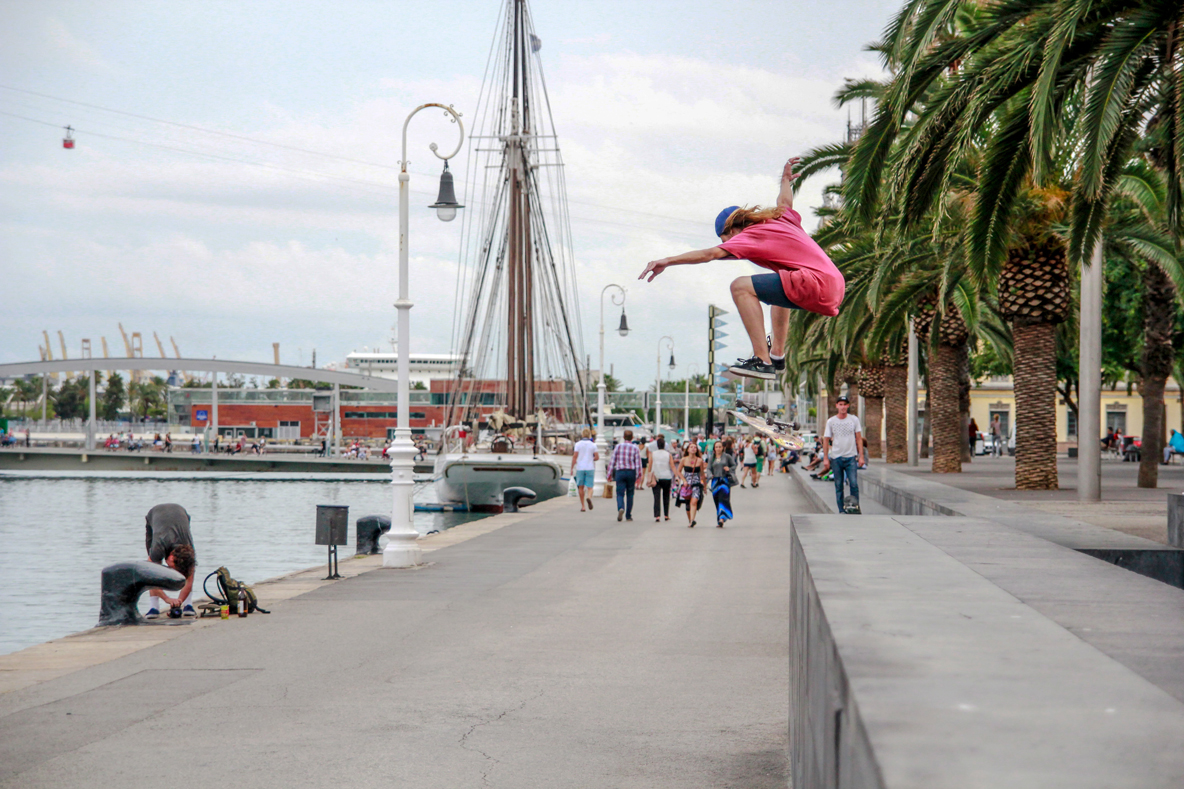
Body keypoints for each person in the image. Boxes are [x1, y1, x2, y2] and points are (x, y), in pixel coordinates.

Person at [639, 157, 845, 380]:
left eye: (726, 240)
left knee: (740, 287)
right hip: (834, 284)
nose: (729, 247)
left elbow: (709, 254)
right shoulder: (780, 217)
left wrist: (667, 261)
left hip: (817, 283)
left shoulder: (747, 236)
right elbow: (785, 201)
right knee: (781, 280)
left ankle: (762, 361)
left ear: (732, 231)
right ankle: (777, 355)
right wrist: (785, 180)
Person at [144, 503, 198, 618]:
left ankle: (188, 604)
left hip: (181, 513)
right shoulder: (158, 547)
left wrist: (179, 601)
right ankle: (154, 607)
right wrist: (167, 599)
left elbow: (189, 579)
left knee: (187, 570)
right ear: (171, 557)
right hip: (155, 514)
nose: (171, 571)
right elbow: (150, 578)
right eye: (172, 568)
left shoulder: (189, 550)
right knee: (153, 568)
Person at [822, 395, 865, 513]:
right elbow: (826, 439)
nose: (843, 407)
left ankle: (855, 507)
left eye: (845, 404)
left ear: (848, 406)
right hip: (836, 458)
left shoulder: (854, 420)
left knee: (854, 484)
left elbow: (859, 438)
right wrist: (825, 458)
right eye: (840, 404)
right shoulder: (831, 421)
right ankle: (841, 509)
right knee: (838, 485)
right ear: (837, 406)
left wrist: (861, 456)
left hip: (851, 457)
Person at [607, 429, 642, 522]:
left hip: (620, 471)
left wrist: (609, 474)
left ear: (623, 437)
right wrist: (639, 476)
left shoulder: (618, 447)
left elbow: (612, 461)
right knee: (630, 494)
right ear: (632, 438)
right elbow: (638, 463)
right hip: (631, 472)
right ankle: (628, 515)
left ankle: (620, 507)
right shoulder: (635, 448)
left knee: (619, 493)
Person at [708, 440, 737, 528]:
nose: (718, 449)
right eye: (716, 447)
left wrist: (729, 469)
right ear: (714, 448)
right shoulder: (711, 457)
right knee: (717, 500)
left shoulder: (727, 457)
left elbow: (734, 465)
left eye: (720, 447)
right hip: (715, 481)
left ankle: (721, 518)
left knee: (723, 499)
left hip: (724, 480)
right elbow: (708, 468)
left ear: (723, 448)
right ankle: (720, 518)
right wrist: (710, 475)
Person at [646, 435, 676, 522]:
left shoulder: (653, 454)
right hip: (667, 477)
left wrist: (649, 474)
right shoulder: (668, 454)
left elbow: (650, 465)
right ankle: (666, 515)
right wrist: (676, 475)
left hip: (656, 477)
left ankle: (657, 515)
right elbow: (672, 466)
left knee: (656, 497)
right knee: (666, 496)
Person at [676, 442, 706, 527]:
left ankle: (692, 520)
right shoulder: (684, 459)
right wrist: (684, 480)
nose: (693, 449)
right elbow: (678, 471)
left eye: (695, 447)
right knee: (688, 505)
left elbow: (702, 473)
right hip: (687, 485)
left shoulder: (699, 460)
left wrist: (704, 486)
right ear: (688, 449)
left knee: (694, 501)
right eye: (691, 447)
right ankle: (690, 520)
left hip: (696, 484)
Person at [570, 428, 599, 512]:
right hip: (590, 467)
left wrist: (572, 468)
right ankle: (589, 497)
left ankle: (583, 506)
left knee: (581, 487)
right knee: (590, 487)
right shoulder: (593, 445)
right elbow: (597, 457)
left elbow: (575, 457)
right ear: (589, 435)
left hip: (580, 467)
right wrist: (591, 459)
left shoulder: (578, 444)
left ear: (582, 435)